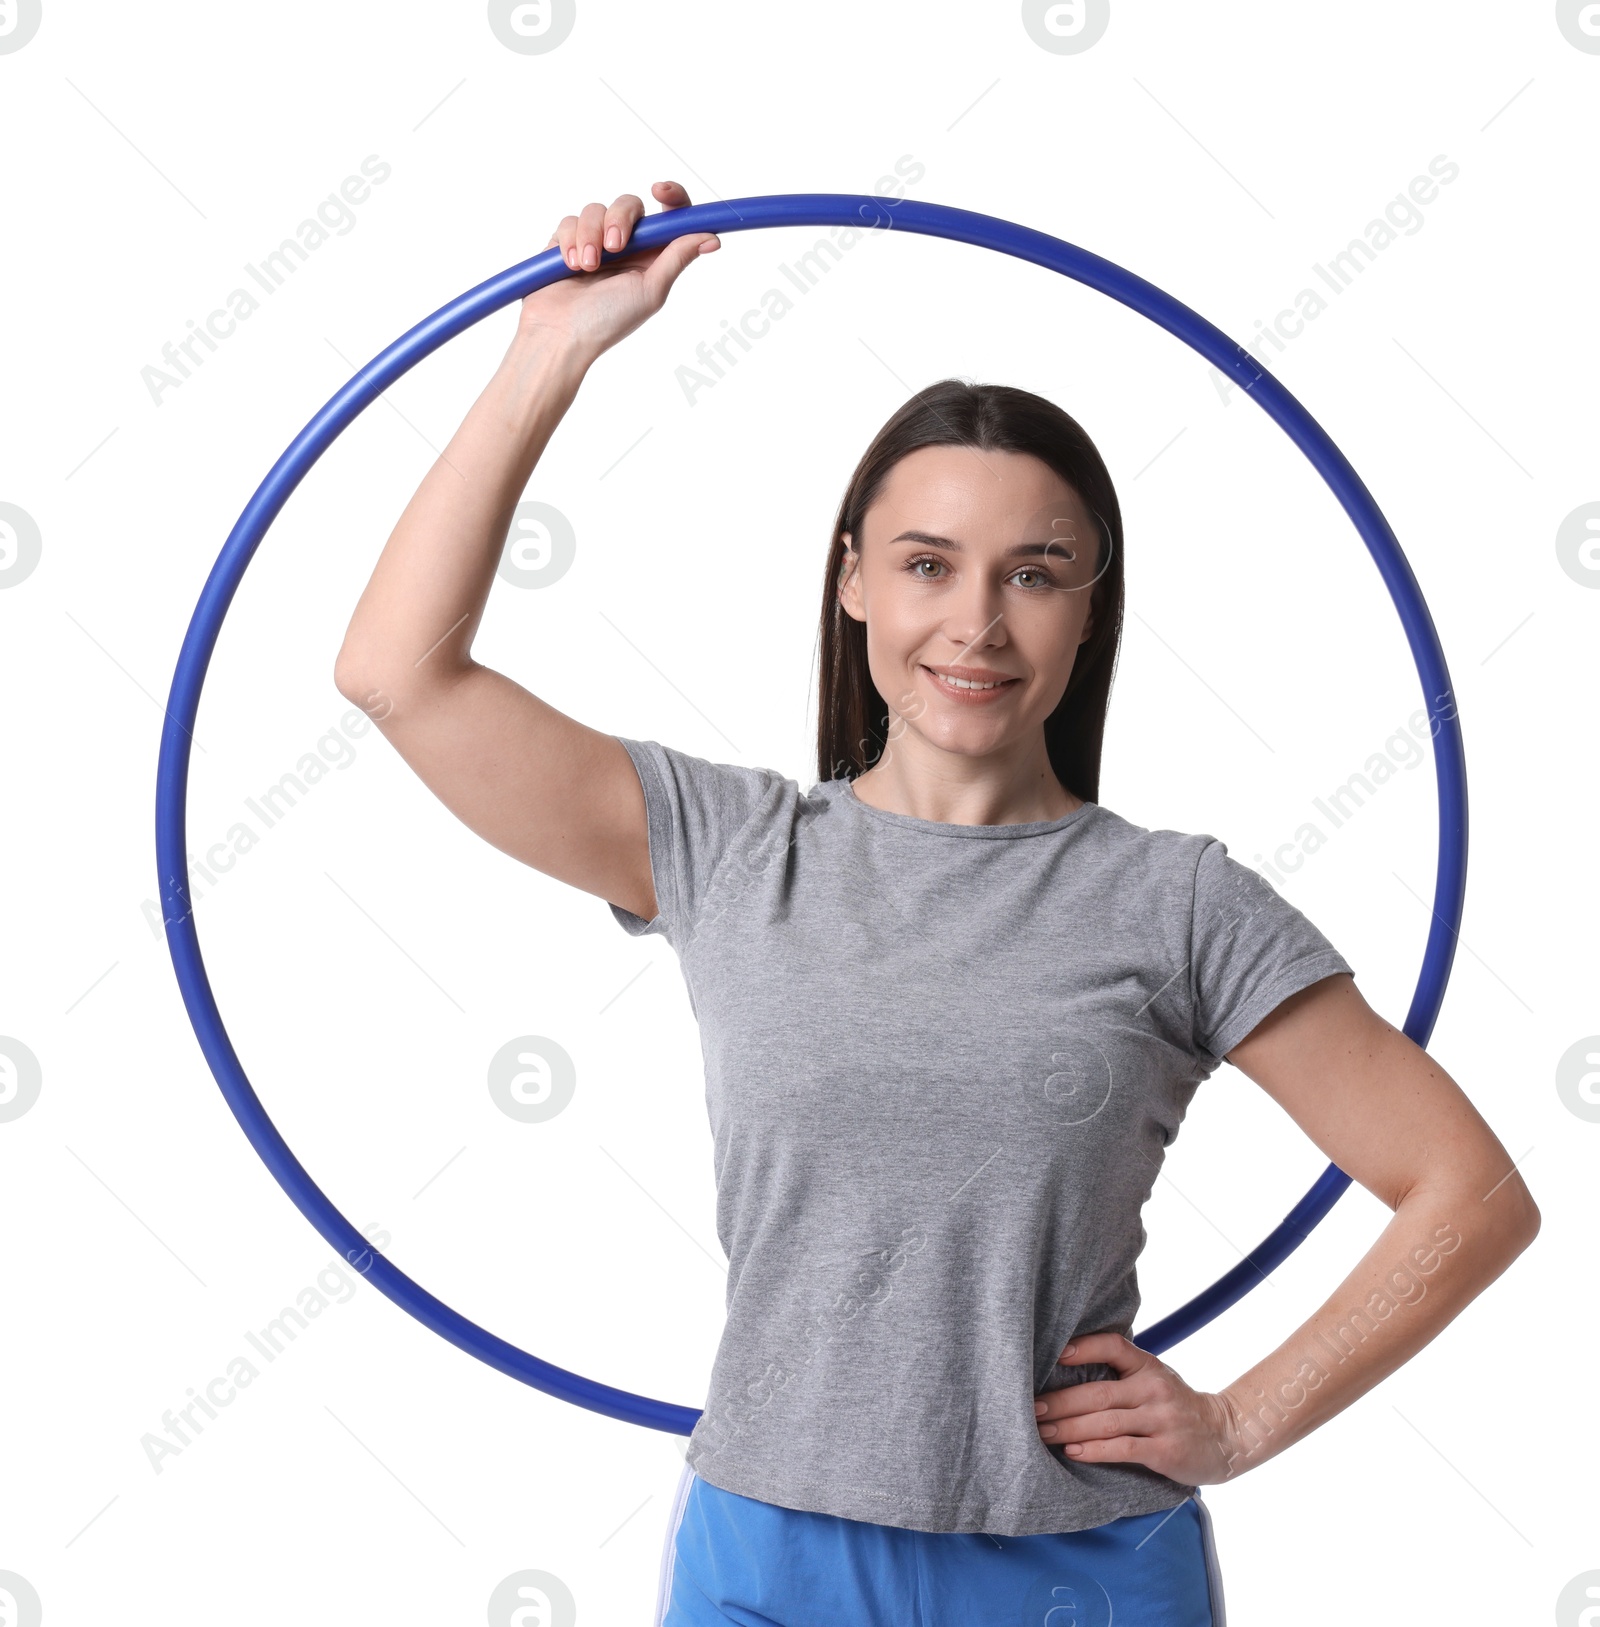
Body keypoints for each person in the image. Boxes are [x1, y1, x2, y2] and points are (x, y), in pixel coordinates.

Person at [333, 182, 1541, 1627]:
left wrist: (1238, 1423)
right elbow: (398, 674)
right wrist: (553, 348)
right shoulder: (730, 849)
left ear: (1090, 611)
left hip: (1080, 1571)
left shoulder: (1179, 903)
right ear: (852, 581)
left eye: (1035, 575)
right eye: (926, 566)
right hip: (771, 1556)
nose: (976, 623)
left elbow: (1471, 1196)